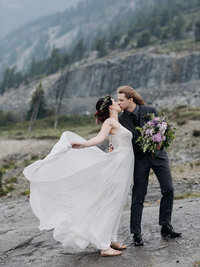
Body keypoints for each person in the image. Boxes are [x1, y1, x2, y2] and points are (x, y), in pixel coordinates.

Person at [23, 94, 134, 257]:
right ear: (110, 107)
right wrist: (83, 145)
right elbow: (99, 138)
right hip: (117, 166)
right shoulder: (110, 122)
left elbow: (113, 140)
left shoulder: (116, 122)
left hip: (123, 164)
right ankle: (104, 246)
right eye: (115, 102)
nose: (118, 103)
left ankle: (111, 238)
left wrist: (111, 146)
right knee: (111, 202)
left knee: (118, 202)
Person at [117, 85, 181, 246]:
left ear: (130, 99)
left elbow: (163, 130)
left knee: (169, 189)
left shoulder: (150, 110)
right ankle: (136, 233)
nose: (119, 103)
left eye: (121, 100)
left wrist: (161, 143)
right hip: (139, 159)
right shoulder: (121, 119)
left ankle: (165, 226)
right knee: (139, 195)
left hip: (158, 156)